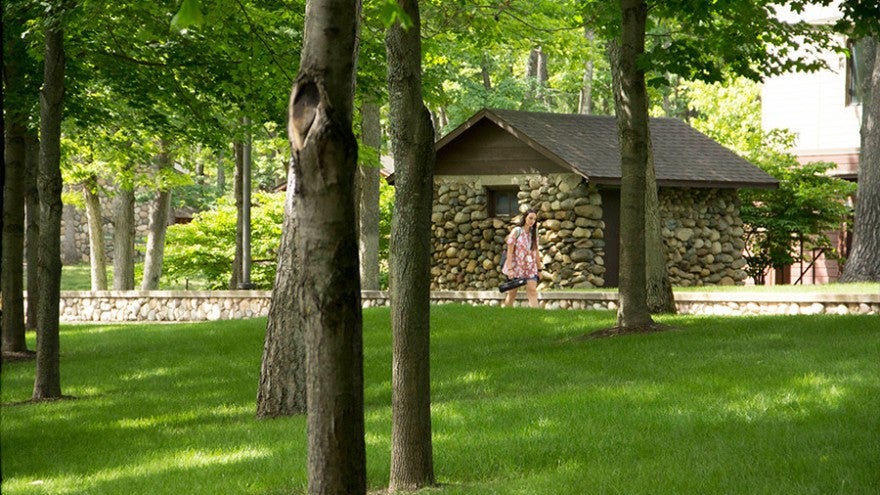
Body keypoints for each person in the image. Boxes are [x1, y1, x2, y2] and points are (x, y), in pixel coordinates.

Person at [501, 210, 543, 308]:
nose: (532, 221)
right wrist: (510, 269)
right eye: (530, 218)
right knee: (512, 293)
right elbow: (510, 252)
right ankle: (505, 315)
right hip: (516, 267)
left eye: (534, 219)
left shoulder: (534, 233)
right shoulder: (516, 231)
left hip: (530, 267)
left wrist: (539, 269)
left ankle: (536, 317)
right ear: (525, 218)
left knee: (532, 291)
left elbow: (536, 251)